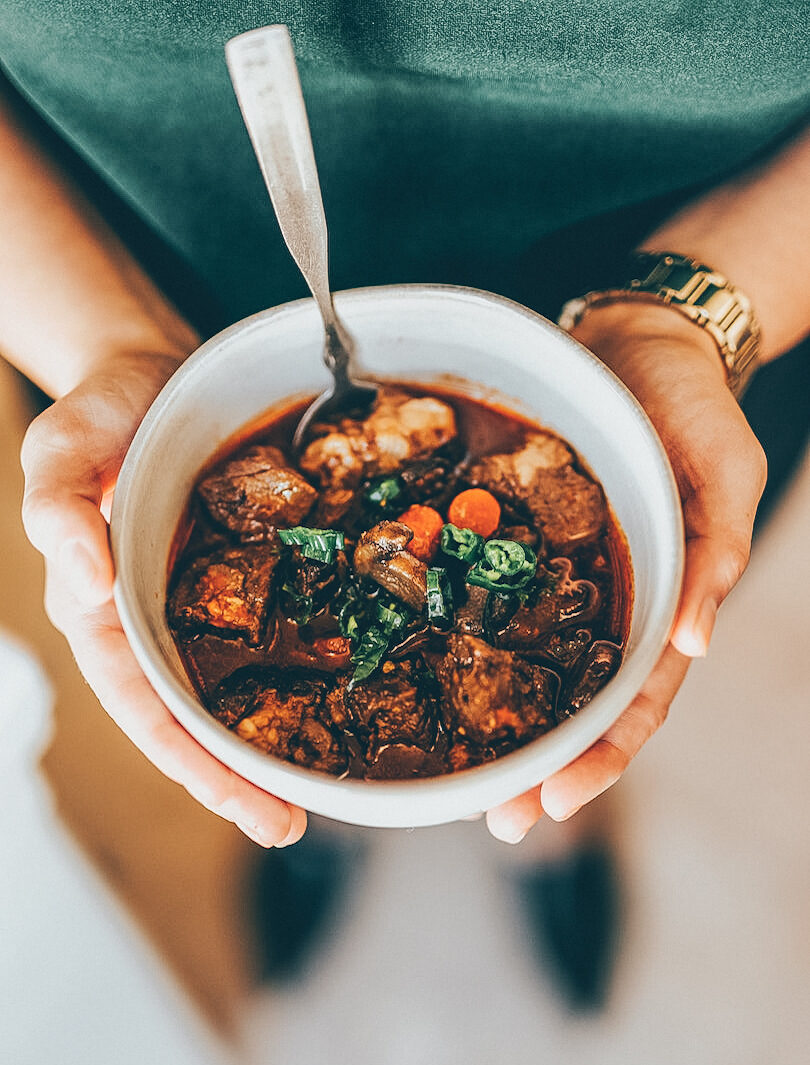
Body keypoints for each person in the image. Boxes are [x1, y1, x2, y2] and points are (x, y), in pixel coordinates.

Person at [3, 5, 809, 1003]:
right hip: (133, 282)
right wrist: (104, 342)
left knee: (590, 726)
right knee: (277, 773)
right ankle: (325, 813)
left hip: (659, 356)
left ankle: (550, 832)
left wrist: (699, 311)